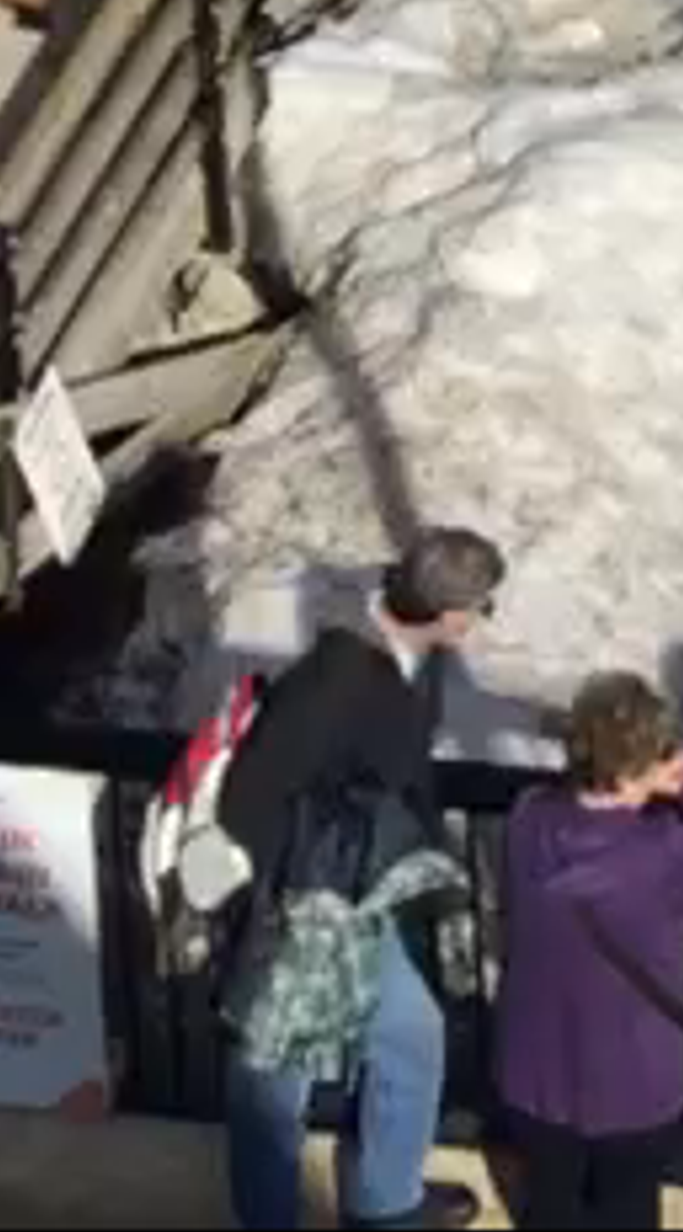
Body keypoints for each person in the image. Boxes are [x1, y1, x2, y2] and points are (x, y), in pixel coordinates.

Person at [212, 524, 501, 1232]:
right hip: (311, 909)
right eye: (483, 606)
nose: (484, 619)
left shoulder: (400, 663)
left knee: (412, 1035)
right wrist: (301, 898)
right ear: (450, 614)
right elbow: (247, 797)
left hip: (368, 896)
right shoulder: (336, 682)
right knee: (276, 1077)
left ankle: (387, 1199)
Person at [487, 670, 683, 1230]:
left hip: (535, 1069)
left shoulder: (528, 818)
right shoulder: (667, 857)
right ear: (639, 766)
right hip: (633, 1081)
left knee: (549, 1204)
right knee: (627, 1207)